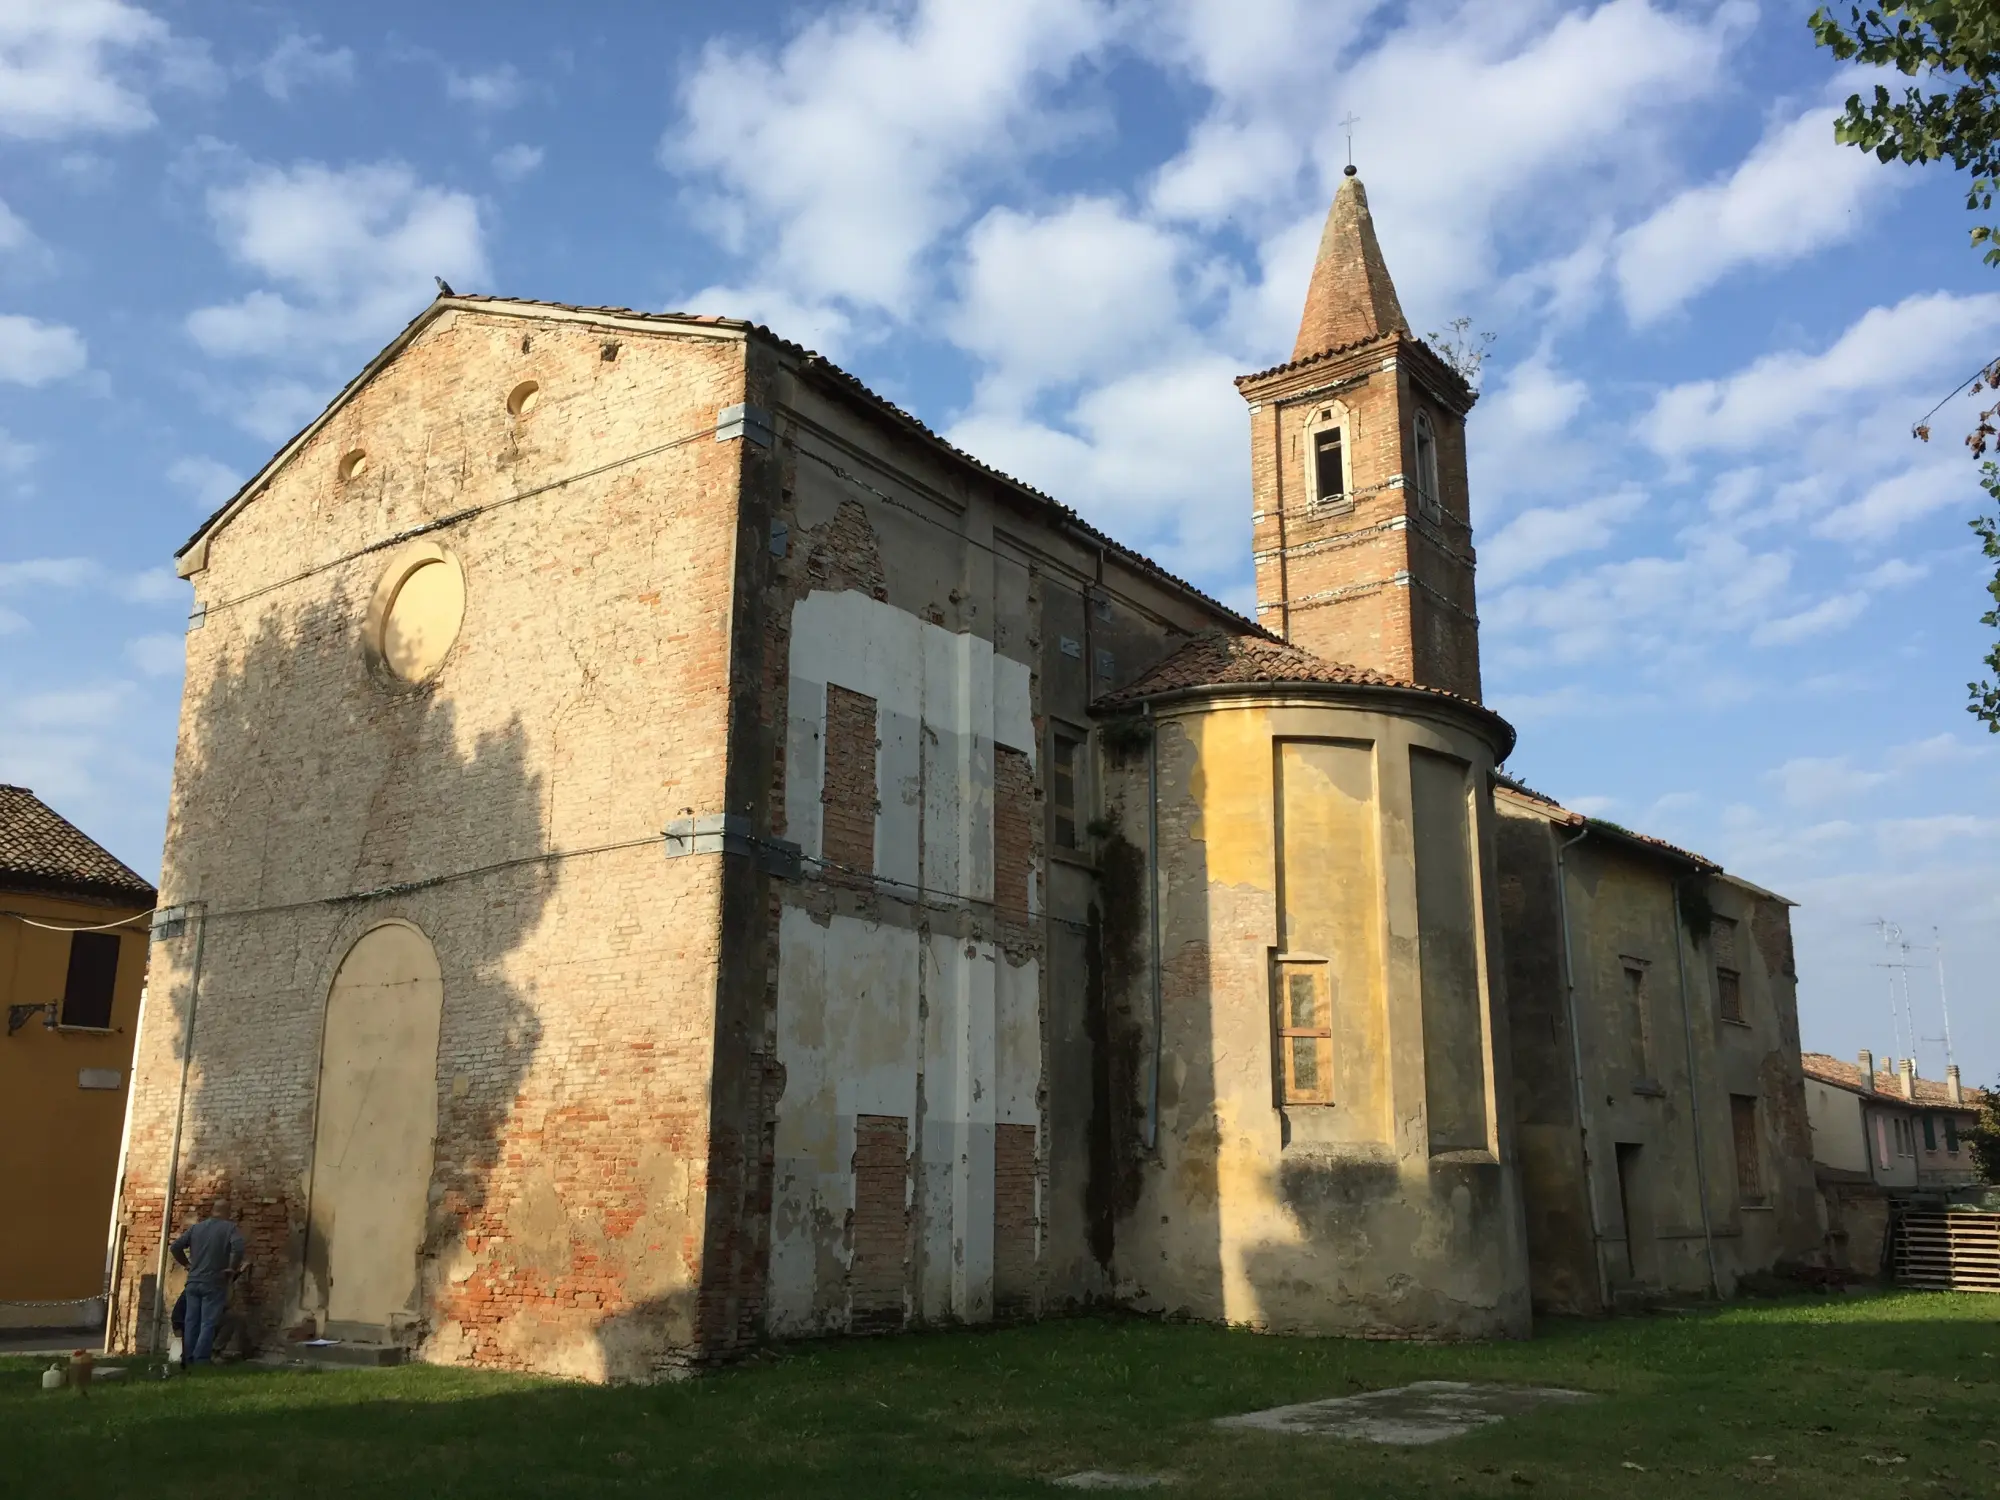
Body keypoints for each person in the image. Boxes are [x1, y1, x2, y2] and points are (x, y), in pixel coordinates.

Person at [169, 1202, 245, 1367]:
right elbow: (238, 1249)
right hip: (214, 1282)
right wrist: (231, 1268)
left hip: (193, 1282)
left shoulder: (196, 1228)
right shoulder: (229, 1228)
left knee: (191, 1322)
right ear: (227, 1212)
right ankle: (201, 1359)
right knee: (207, 1322)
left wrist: (187, 1265)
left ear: (213, 1211)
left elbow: (175, 1247)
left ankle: (187, 1358)